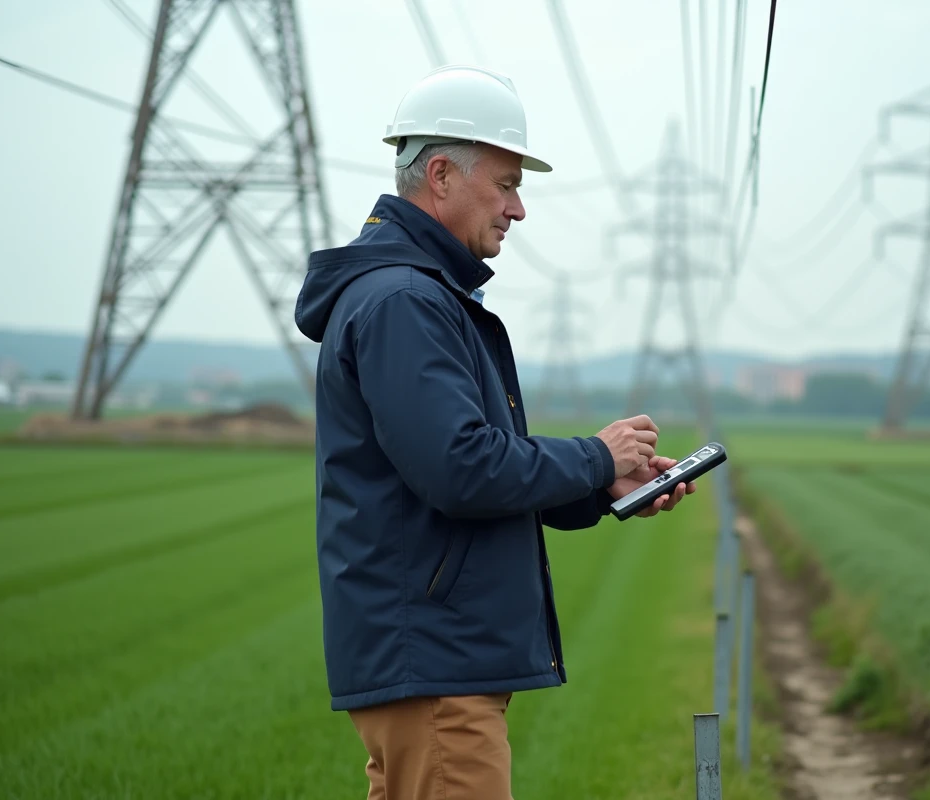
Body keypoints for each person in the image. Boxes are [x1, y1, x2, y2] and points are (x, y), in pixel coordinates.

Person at [294, 64, 698, 800]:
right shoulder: (405, 301)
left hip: (432, 663)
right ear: (441, 175)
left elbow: (469, 472)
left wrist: (600, 485)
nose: (518, 208)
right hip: (435, 664)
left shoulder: (418, 294)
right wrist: (595, 455)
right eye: (507, 184)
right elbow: (461, 467)